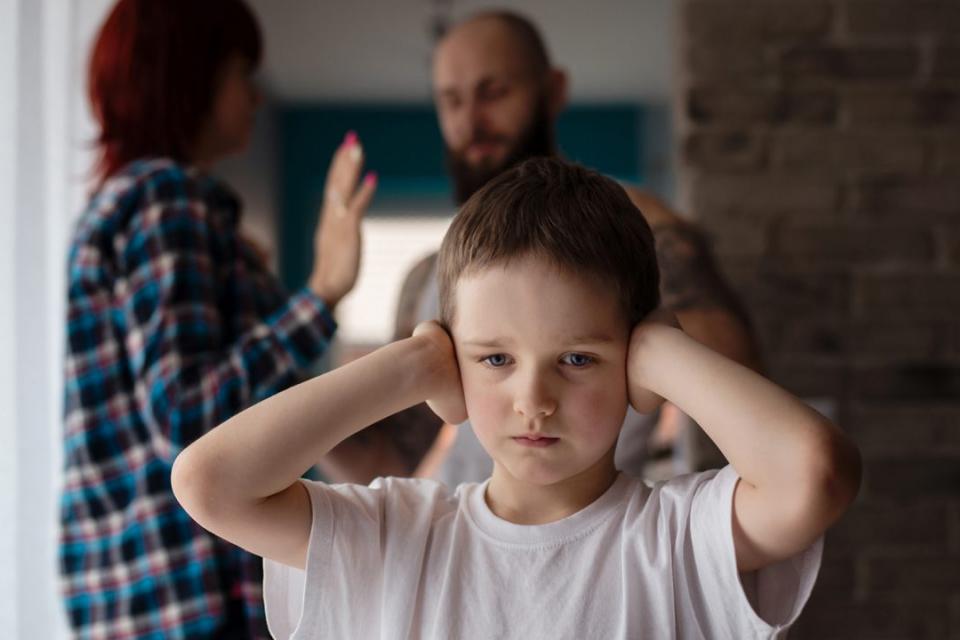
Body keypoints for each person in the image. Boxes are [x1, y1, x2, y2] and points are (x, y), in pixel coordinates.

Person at [172, 158, 861, 639]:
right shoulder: (395, 534)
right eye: (495, 358)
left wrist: (659, 351)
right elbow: (209, 483)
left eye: (577, 358)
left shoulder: (677, 539)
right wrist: (412, 366)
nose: (535, 398)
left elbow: (817, 474)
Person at [323, 9, 760, 486]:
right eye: (452, 102)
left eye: (493, 93)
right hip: (468, 540)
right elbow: (391, 462)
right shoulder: (430, 276)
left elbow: (738, 368)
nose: (472, 122)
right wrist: (314, 306)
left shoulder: (637, 228)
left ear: (552, 91)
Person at [59, 1, 375, 637]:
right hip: (190, 591)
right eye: (241, 73)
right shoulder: (166, 199)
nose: (256, 97)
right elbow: (187, 414)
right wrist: (320, 295)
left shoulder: (124, 202)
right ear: (192, 77)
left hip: (136, 592)